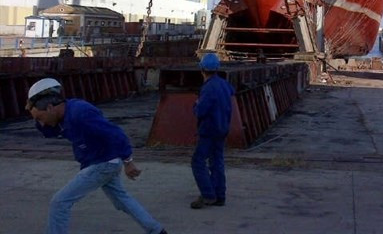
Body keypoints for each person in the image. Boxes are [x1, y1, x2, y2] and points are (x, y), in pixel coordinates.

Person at [25, 78, 168, 234]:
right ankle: (156, 230)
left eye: (40, 118)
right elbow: (49, 132)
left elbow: (115, 133)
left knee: (59, 202)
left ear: (51, 108)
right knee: (122, 200)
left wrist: (128, 161)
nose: (41, 123)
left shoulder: (80, 113)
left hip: (103, 164)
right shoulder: (62, 117)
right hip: (101, 162)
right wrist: (38, 119)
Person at [190, 52, 235, 209]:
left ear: (202, 69)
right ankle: (219, 196)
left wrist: (196, 105)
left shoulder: (208, 88)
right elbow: (231, 94)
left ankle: (208, 195)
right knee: (217, 161)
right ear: (217, 69)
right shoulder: (224, 84)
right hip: (222, 128)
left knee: (197, 162)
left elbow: (201, 111)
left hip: (209, 130)